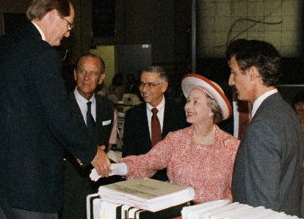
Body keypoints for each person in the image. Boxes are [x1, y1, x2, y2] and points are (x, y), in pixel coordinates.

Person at [0, 0, 110, 219]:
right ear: (52, 15)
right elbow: (57, 114)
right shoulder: (43, 54)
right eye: (68, 25)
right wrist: (91, 152)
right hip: (28, 182)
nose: (68, 34)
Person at [94, 74, 239, 205]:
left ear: (212, 110)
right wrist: (117, 168)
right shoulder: (176, 140)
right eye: (188, 101)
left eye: (195, 102)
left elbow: (239, 190)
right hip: (180, 217)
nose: (188, 106)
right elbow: (148, 161)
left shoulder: (231, 147)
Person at [226, 39, 303, 218]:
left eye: (233, 72)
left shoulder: (262, 127)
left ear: (252, 73)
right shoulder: (287, 112)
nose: (230, 81)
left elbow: (261, 209)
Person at [59, 54, 118, 219]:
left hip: (99, 187)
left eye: (93, 73)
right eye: (82, 72)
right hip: (68, 187)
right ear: (75, 74)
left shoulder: (106, 106)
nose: (86, 78)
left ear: (101, 78)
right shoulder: (61, 106)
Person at [121, 66, 189, 181]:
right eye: (142, 84)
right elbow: (128, 154)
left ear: (164, 87)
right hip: (142, 181)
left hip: (173, 181)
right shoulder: (132, 115)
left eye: (150, 85)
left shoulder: (180, 113)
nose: (143, 89)